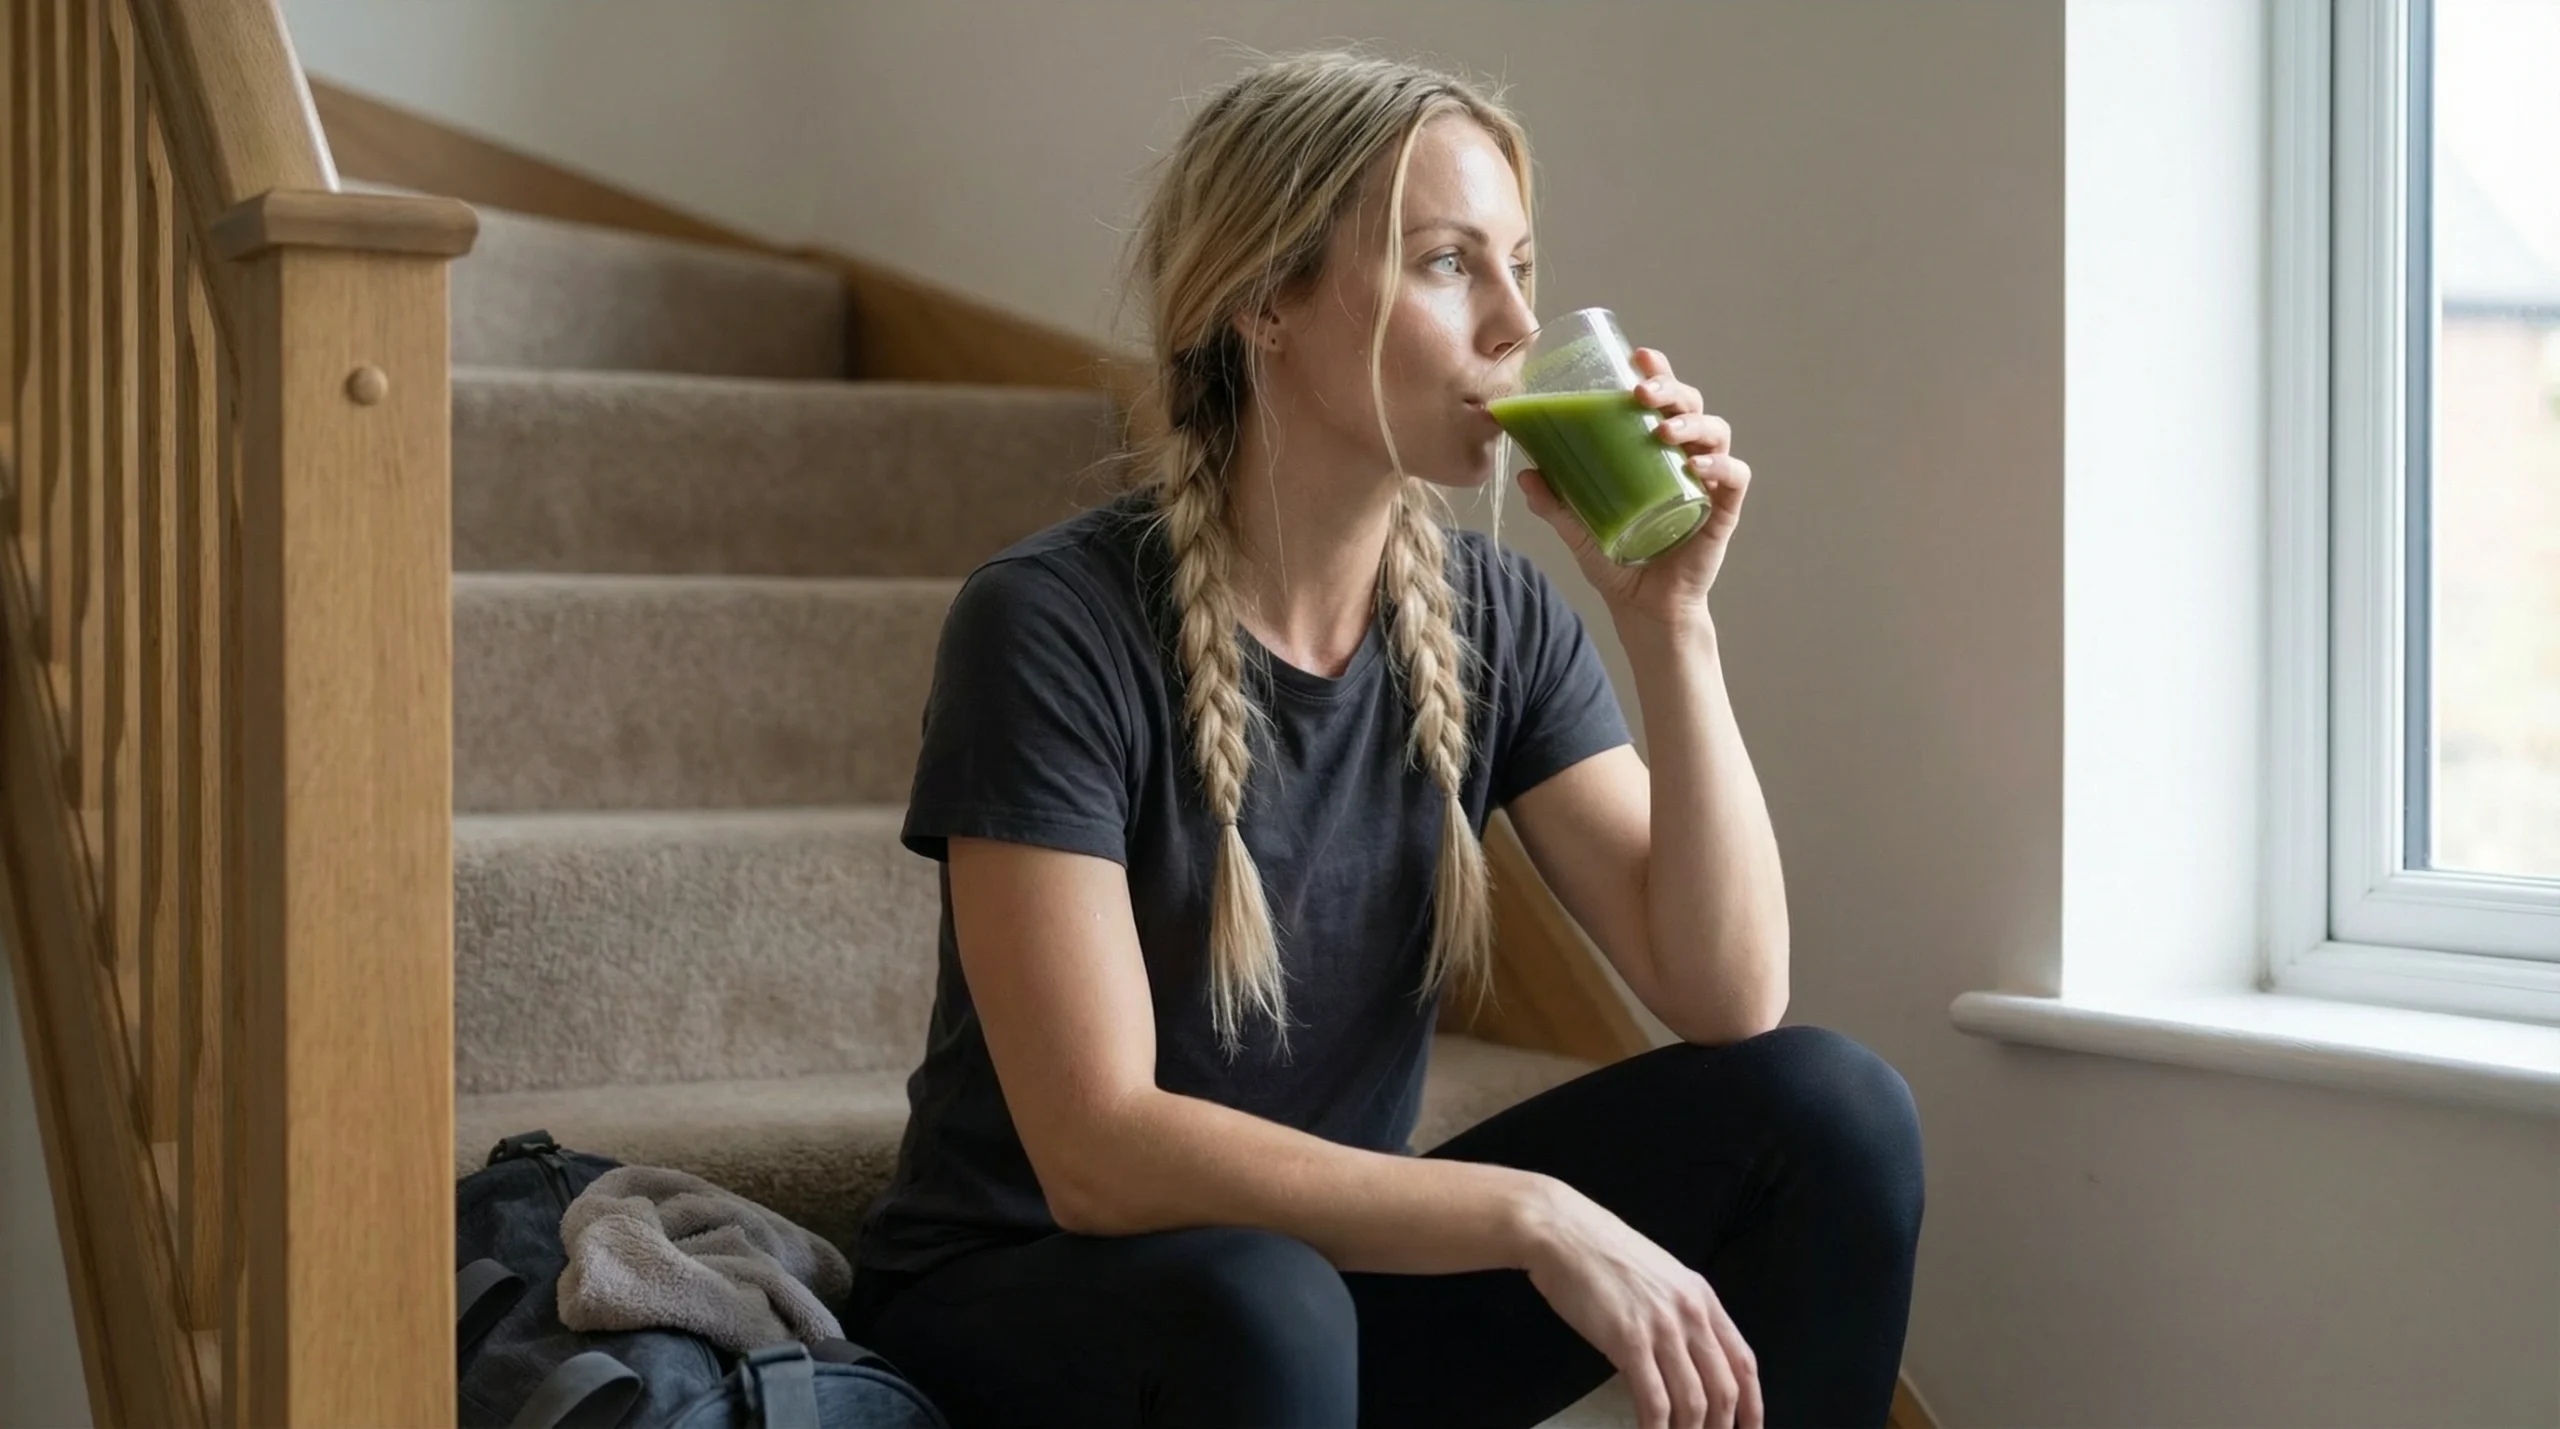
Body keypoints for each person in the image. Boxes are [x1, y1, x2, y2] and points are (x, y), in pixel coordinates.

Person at [841, 47, 1924, 1429]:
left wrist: (1671, 621)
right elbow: (1098, 1154)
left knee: (1831, 1113)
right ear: (1266, 303)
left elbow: (1725, 995)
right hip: (1036, 1302)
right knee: (1269, 1303)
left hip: (1316, 1296)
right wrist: (1529, 1213)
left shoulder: (1493, 616)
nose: (1514, 324)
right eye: (1446, 264)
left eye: (1519, 268)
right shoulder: (1049, 624)